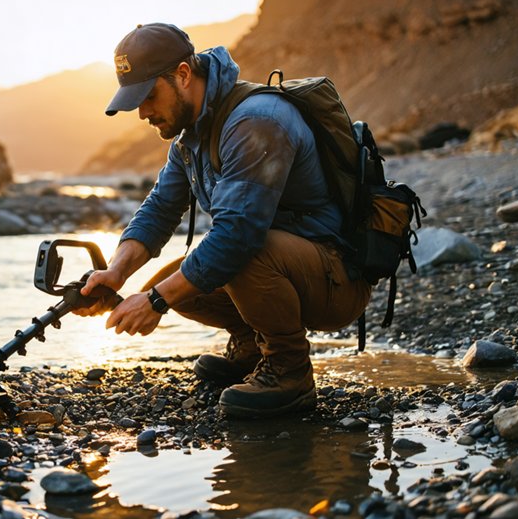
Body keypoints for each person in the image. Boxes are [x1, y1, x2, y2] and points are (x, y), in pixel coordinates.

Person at [77, 23, 373, 417]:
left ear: (183, 74)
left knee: (232, 258)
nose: (143, 112)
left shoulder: (256, 122)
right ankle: (251, 345)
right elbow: (160, 209)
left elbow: (237, 238)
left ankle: (290, 371)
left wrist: (155, 301)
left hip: (336, 278)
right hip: (284, 266)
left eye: (148, 96)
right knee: (179, 274)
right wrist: (115, 274)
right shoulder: (191, 137)